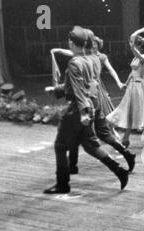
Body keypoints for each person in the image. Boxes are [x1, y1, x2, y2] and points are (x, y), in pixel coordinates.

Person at [44, 26, 129, 194]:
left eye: (69, 40)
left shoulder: (74, 63)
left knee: (60, 146)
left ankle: (63, 184)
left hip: (77, 110)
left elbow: (78, 90)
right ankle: (119, 170)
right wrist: (57, 90)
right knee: (90, 146)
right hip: (91, 106)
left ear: (72, 42)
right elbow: (87, 86)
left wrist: (83, 112)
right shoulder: (90, 60)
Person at [107, 28, 144, 148]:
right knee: (130, 112)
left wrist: (131, 47)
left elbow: (138, 56)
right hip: (132, 87)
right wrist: (125, 83)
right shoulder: (136, 58)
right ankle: (125, 139)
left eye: (135, 45)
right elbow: (132, 72)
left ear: (139, 46)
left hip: (140, 88)